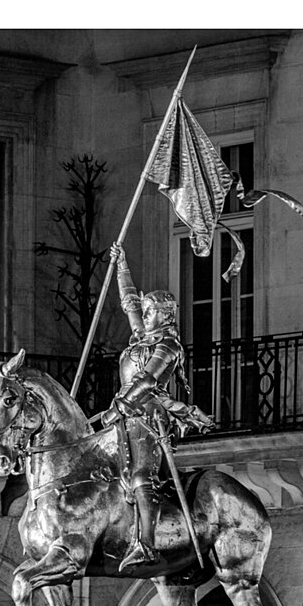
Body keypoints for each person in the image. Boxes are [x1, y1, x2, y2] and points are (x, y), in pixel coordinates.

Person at [100, 244, 213, 572]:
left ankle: (146, 544)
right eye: (146, 311)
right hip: (124, 415)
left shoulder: (168, 345)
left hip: (149, 417)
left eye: (150, 312)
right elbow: (129, 303)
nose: (144, 315)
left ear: (164, 315)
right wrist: (121, 264)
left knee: (141, 476)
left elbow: (149, 380)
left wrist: (118, 407)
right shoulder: (141, 337)